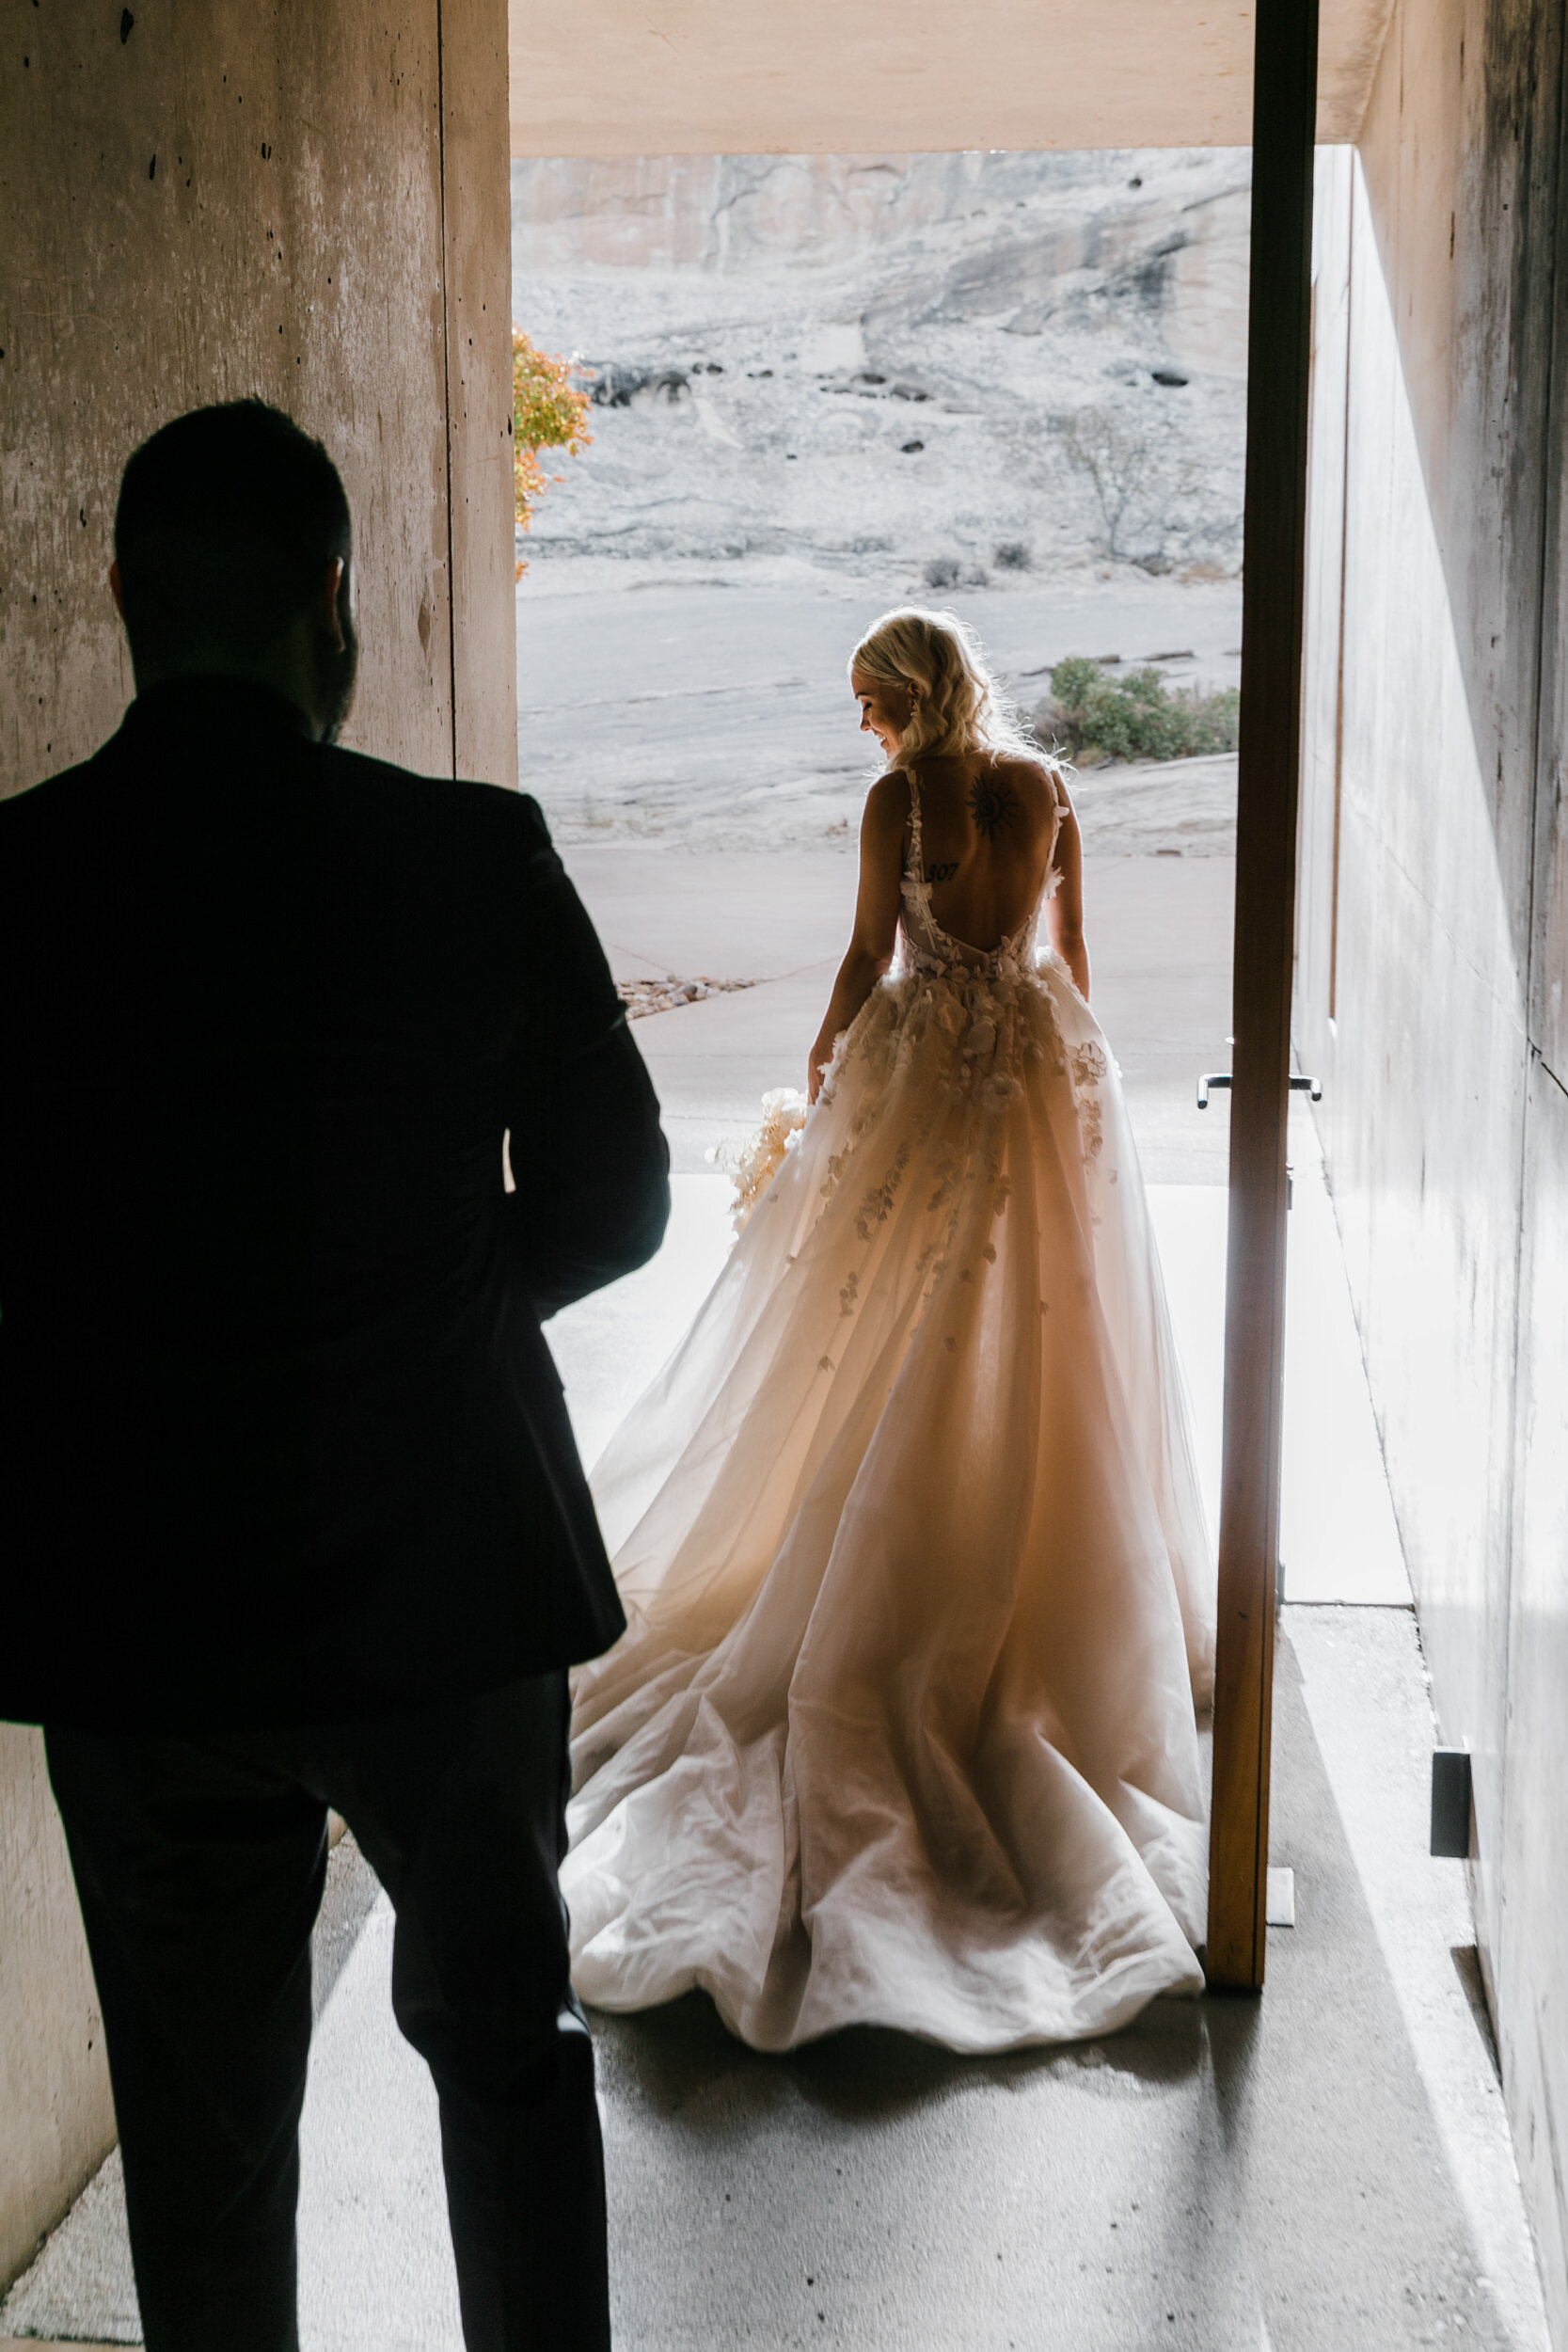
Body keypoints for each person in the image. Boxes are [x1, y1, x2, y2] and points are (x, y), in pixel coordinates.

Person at [0, 400, 670, 2352]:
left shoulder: (14, 882)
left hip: (132, 1596)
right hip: (444, 1570)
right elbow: (620, 1199)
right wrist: (443, 1303)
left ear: (120, 594)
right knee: (506, 2049)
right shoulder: (468, 856)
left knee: (201, 2126)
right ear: (333, 603)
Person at [563, 607, 1214, 2054]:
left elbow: (870, 957)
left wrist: (825, 1060)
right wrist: (1076, 1091)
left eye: (870, 701)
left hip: (927, 1067)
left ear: (909, 698)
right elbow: (1076, 961)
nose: (864, 726)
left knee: (883, 1320)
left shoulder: (894, 802)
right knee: (1048, 1329)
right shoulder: (1048, 790)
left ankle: (900, 1544)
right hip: (1041, 1066)